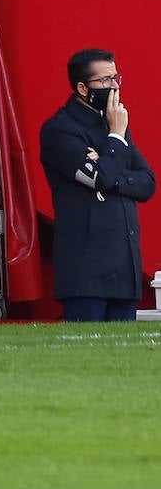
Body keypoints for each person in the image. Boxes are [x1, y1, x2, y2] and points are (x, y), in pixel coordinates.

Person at [39, 48, 155, 321]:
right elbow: (99, 178)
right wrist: (115, 140)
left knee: (122, 358)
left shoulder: (114, 125)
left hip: (124, 269)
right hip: (86, 271)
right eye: (105, 80)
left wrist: (107, 161)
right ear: (82, 87)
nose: (114, 86)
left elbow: (147, 183)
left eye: (116, 78)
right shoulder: (59, 130)